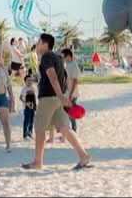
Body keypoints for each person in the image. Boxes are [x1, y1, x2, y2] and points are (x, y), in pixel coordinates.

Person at [22, 32, 92, 172]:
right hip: (59, 98)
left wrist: (60, 96)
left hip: (49, 97)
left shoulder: (46, 56)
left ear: (45, 44)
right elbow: (63, 77)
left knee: (40, 128)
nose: (36, 44)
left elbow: (53, 76)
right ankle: (83, 156)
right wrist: (63, 96)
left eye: (38, 41)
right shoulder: (58, 58)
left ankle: (37, 162)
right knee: (65, 128)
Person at [62, 48, 81, 132]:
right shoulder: (68, 65)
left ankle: (74, 131)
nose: (63, 59)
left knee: (70, 113)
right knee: (66, 113)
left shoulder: (74, 66)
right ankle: (69, 131)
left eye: (64, 57)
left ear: (69, 56)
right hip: (67, 93)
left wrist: (70, 94)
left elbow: (76, 81)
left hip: (72, 94)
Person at [20, 73, 37, 140]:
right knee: (26, 121)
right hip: (27, 108)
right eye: (28, 80)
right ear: (25, 81)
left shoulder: (33, 88)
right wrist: (26, 103)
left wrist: (35, 105)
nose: (29, 81)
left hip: (33, 107)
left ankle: (30, 133)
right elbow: (20, 97)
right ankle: (25, 134)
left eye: (30, 80)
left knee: (31, 121)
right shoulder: (24, 89)